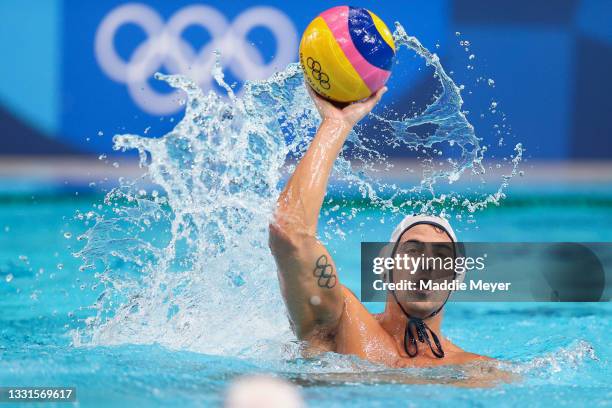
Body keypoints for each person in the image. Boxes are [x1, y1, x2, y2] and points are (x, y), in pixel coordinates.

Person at [268, 84, 491, 367]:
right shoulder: (342, 323)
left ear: (456, 277)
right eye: (413, 252)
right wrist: (336, 124)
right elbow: (288, 232)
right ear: (386, 267)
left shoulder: (475, 370)